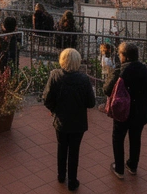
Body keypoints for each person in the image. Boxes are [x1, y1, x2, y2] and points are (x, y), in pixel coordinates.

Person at [42, 48, 97, 191]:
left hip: (61, 120)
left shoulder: (55, 75)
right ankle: (72, 180)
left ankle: (61, 175)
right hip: (78, 122)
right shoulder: (84, 79)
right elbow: (91, 103)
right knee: (74, 150)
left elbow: (46, 98)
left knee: (61, 147)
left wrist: (55, 110)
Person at [104, 42, 147, 178]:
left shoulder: (120, 71)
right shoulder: (144, 70)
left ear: (125, 56)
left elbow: (107, 90)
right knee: (135, 138)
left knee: (118, 137)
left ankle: (119, 168)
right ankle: (133, 165)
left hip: (122, 112)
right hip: (139, 111)